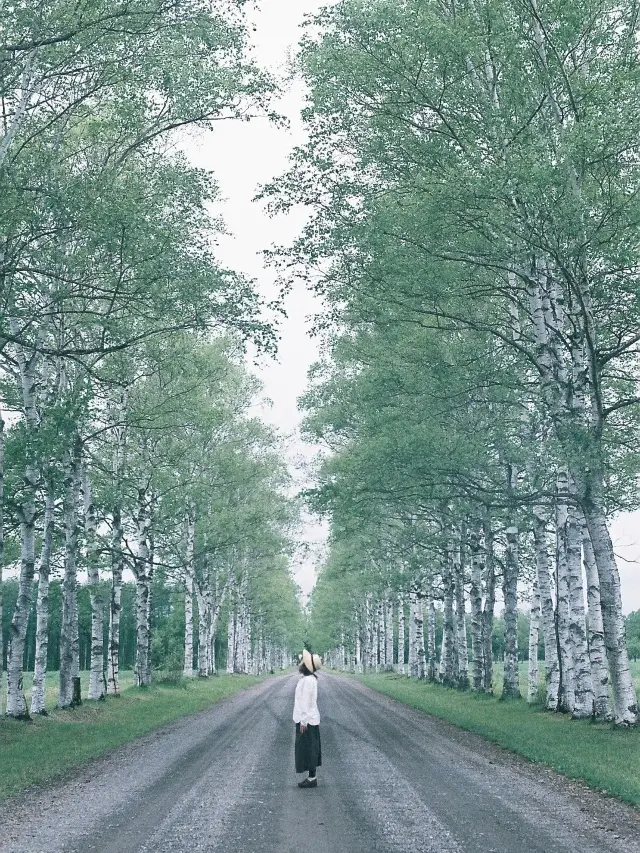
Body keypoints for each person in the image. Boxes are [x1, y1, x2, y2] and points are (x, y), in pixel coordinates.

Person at [293, 649, 322, 788]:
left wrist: (303, 721)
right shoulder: (309, 680)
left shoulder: (308, 681)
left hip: (307, 720)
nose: (300, 664)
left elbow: (306, 702)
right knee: (311, 747)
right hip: (310, 718)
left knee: (309, 748)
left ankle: (312, 778)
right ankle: (312, 777)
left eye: (302, 662)